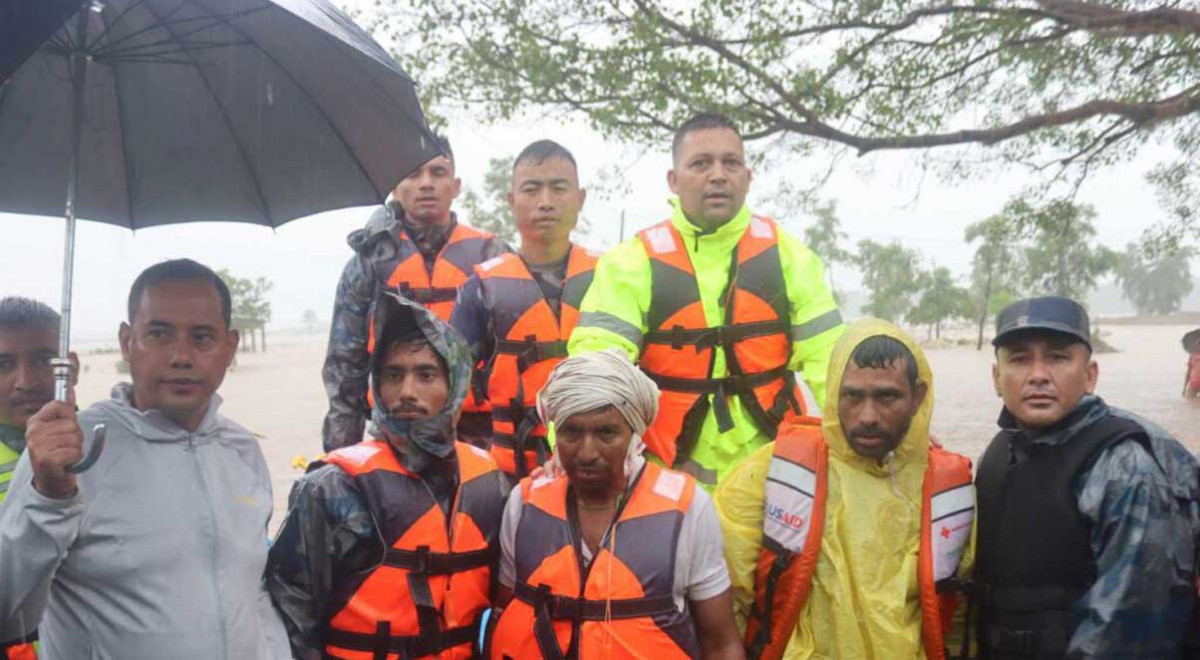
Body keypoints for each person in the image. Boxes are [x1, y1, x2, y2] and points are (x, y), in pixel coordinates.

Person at [0, 259, 289, 659]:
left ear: (230, 347)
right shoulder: (67, 452)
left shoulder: (241, 449)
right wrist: (48, 499)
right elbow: (8, 615)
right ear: (126, 341)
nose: (181, 356)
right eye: (159, 334)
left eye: (202, 337)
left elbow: (251, 591)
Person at [568, 113, 843, 487]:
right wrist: (565, 449)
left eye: (731, 163)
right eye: (701, 163)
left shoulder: (790, 256)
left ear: (747, 176)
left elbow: (833, 364)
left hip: (774, 474)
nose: (718, 175)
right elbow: (597, 364)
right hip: (666, 475)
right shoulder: (630, 262)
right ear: (674, 180)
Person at [715, 319, 975, 659]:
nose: (868, 415)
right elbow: (724, 598)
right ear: (834, 391)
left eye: (887, 396)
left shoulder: (949, 488)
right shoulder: (771, 470)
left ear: (918, 397)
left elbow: (960, 615)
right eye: (853, 395)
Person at [267, 294, 509, 659]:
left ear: (455, 383)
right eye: (393, 375)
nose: (406, 392)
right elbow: (291, 618)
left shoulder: (491, 483)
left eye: (426, 375)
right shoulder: (332, 487)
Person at [974, 296, 1199, 658]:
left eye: (1058, 357)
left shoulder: (1123, 468)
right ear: (997, 378)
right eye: (1019, 359)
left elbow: (1127, 627)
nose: (1038, 375)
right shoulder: (1000, 451)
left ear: (1090, 375)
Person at [488, 349, 744, 659]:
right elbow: (505, 610)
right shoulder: (523, 504)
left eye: (606, 433)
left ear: (634, 434)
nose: (586, 452)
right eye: (571, 432)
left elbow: (721, 643)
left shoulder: (689, 509)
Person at [323, 136, 510, 451]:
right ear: (396, 188)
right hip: (394, 433)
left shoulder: (494, 255)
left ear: (456, 185)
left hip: (478, 437)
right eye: (413, 174)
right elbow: (344, 368)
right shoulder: (368, 263)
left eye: (438, 173)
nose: (426, 184)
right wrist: (340, 456)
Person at [451, 139, 599, 480]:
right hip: (509, 474)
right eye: (532, 189)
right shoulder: (478, 291)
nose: (545, 202)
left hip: (598, 469)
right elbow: (451, 396)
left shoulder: (611, 279)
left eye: (558, 188)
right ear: (512, 201)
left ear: (580, 199)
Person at [0, 298, 77, 660]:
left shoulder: (106, 448)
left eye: (44, 360)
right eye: (3, 364)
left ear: (70, 368)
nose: (26, 382)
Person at [1184, 328, 1200, 398]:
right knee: (1189, 403)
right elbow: (1188, 372)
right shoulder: (1192, 355)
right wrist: (1184, 388)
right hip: (1193, 383)